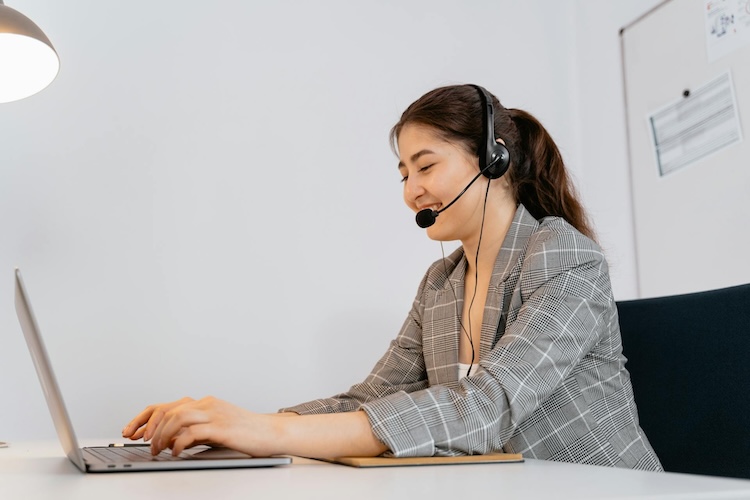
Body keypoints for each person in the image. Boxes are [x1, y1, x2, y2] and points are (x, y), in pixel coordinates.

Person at [121, 84, 663, 470]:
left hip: (603, 487)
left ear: (493, 161)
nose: (411, 192)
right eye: (404, 174)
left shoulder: (566, 257)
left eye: (426, 167)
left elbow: (487, 407)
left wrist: (267, 433)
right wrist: (237, 427)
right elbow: (369, 398)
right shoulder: (441, 283)